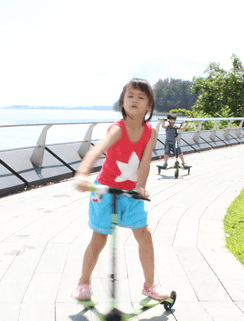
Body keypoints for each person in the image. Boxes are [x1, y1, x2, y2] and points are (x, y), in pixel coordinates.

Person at [72, 78, 171, 302]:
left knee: (145, 236)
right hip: (104, 190)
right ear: (122, 101)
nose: (134, 100)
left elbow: (145, 162)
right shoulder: (118, 128)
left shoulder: (149, 131)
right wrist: (83, 173)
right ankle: (84, 283)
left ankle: (149, 286)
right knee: (99, 238)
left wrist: (141, 186)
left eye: (141, 97)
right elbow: (97, 149)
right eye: (130, 96)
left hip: (131, 192)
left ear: (150, 105)